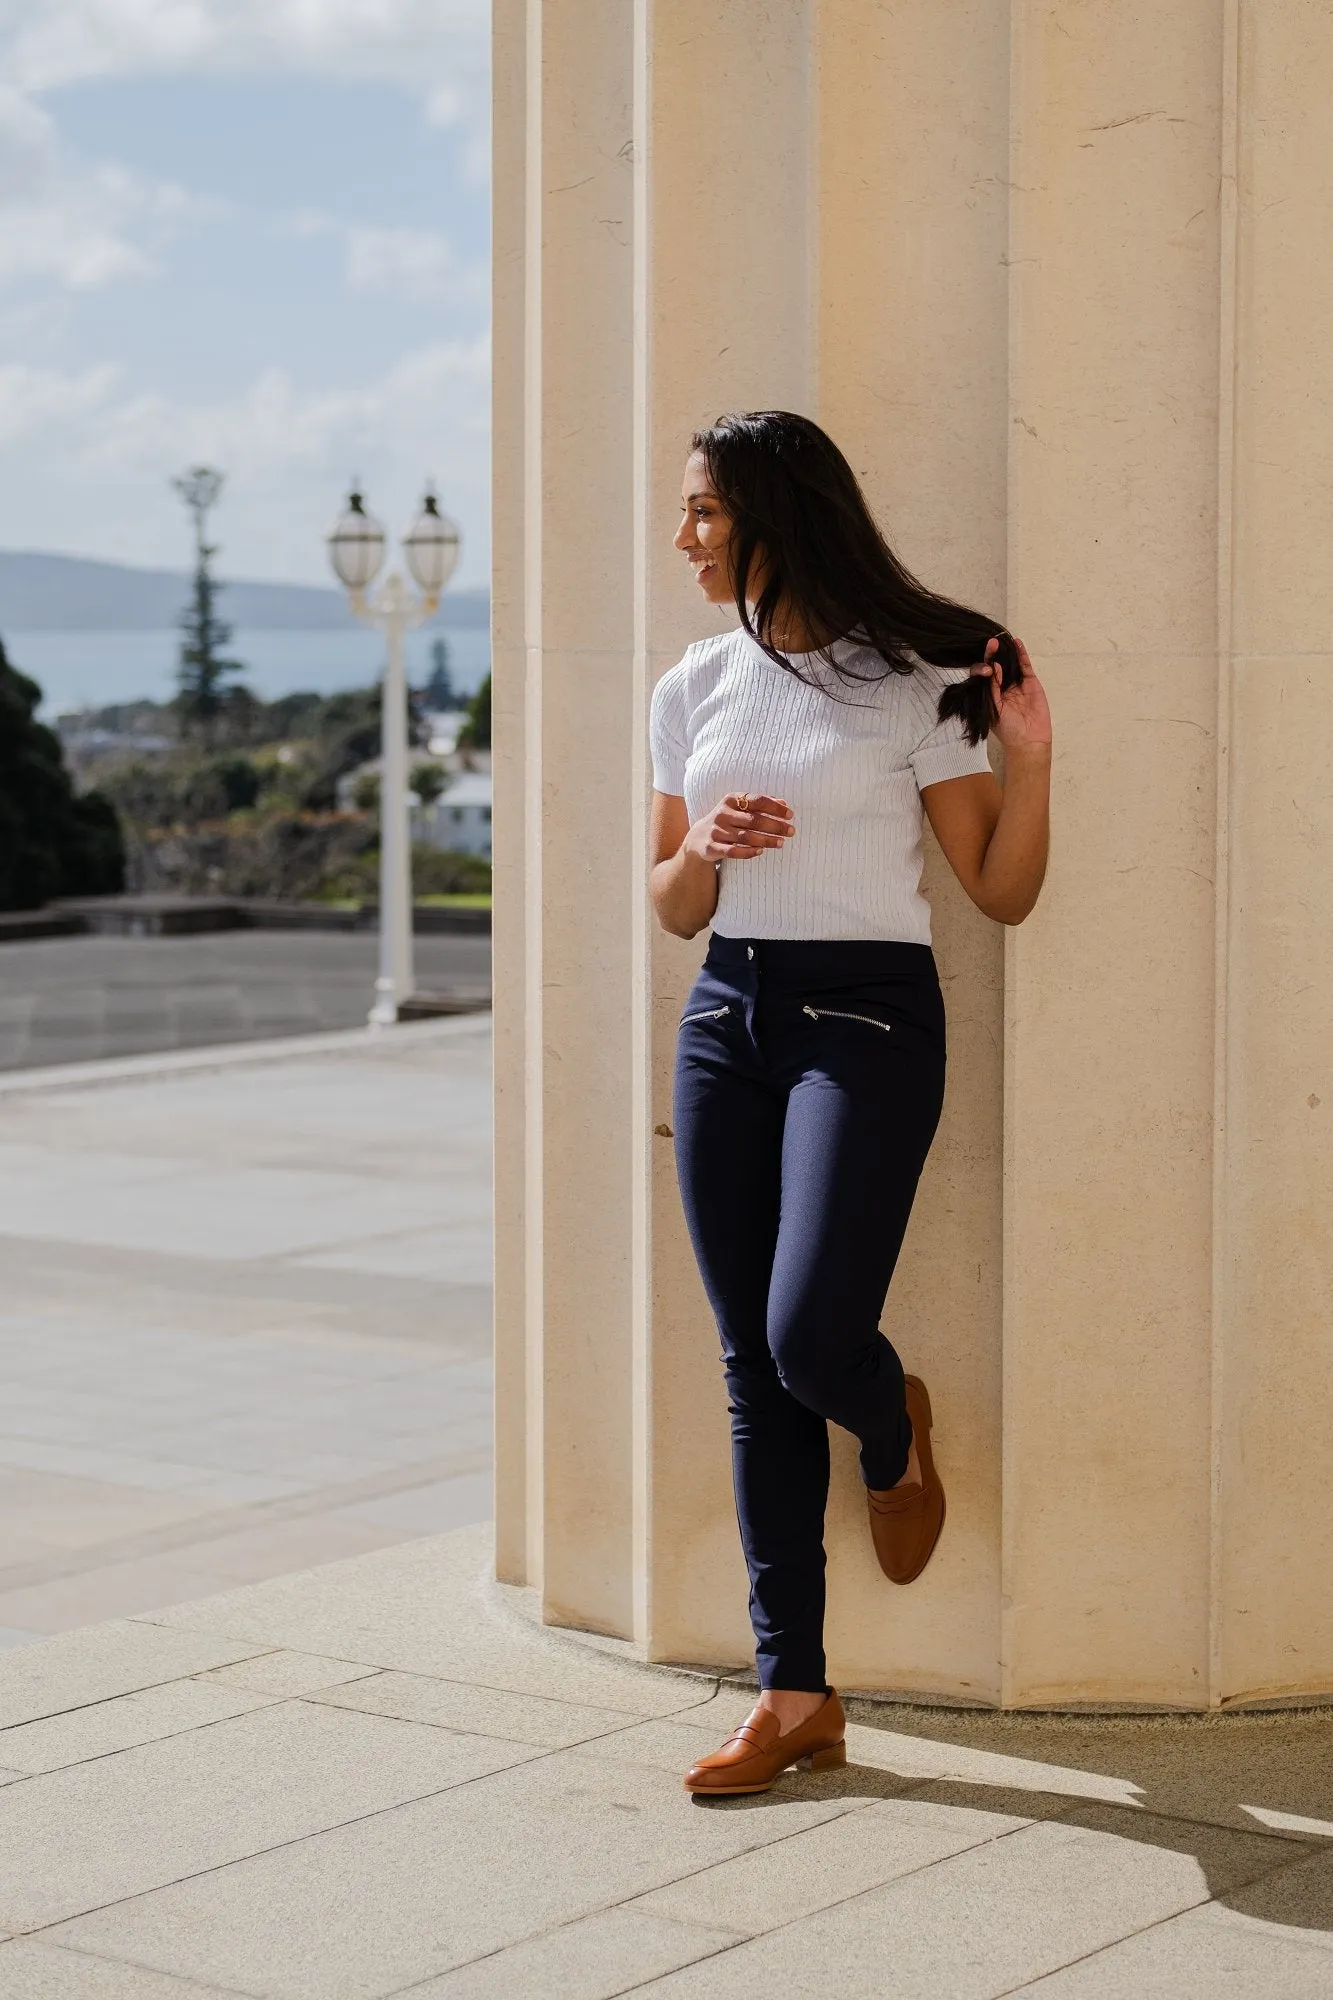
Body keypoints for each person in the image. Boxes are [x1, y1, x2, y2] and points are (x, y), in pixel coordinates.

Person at [648, 410, 1052, 1797]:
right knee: (751, 1368)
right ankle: (794, 1693)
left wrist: (1032, 763)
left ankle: (889, 1424)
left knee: (809, 1333)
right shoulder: (691, 684)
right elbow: (666, 901)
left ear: (773, 513)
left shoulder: (911, 680)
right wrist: (703, 844)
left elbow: (998, 891)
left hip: (866, 1020)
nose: (685, 535)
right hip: (725, 1014)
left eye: (703, 510)